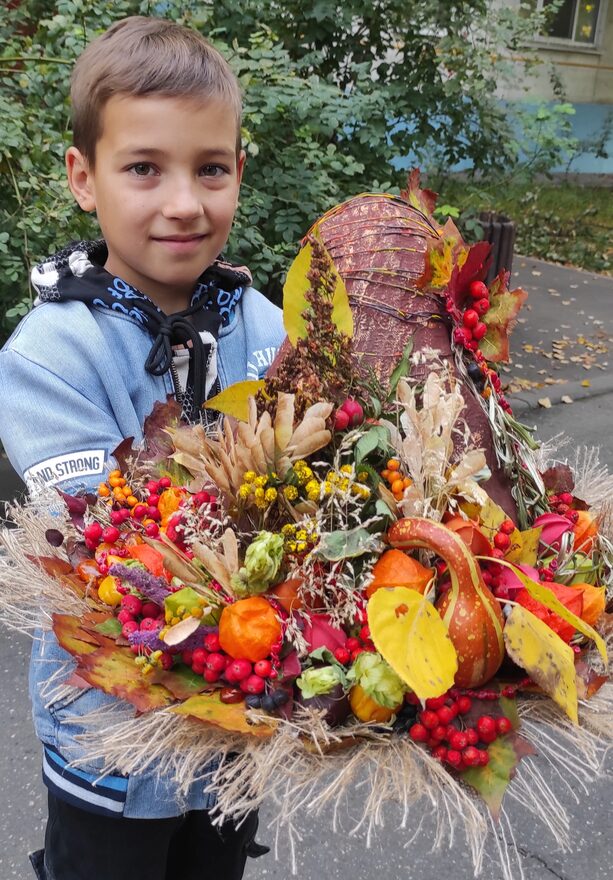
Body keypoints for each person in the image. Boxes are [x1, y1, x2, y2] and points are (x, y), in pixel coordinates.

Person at [0, 16, 285, 880]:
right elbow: (107, 552)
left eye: (210, 168)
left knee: (215, 867)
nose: (185, 202)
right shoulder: (50, 355)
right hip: (108, 730)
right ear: (84, 178)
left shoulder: (270, 329)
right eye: (143, 169)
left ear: (239, 170)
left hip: (245, 717)